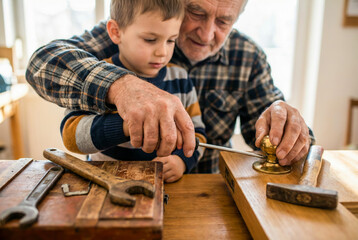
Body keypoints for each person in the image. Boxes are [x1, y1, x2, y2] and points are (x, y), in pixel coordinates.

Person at [26, 0, 315, 173]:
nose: (206, 33)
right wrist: (122, 86)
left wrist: (285, 127)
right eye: (197, 12)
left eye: (224, 21)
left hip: (208, 194)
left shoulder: (248, 55)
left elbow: (266, 137)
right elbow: (41, 64)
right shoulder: (139, 23)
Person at [60, 0, 206, 182]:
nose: (162, 52)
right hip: (103, 185)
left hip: (163, 190)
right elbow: (71, 137)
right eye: (150, 40)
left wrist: (181, 161)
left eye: (171, 40)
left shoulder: (181, 79)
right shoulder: (98, 76)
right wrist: (128, 124)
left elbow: (197, 134)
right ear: (116, 32)